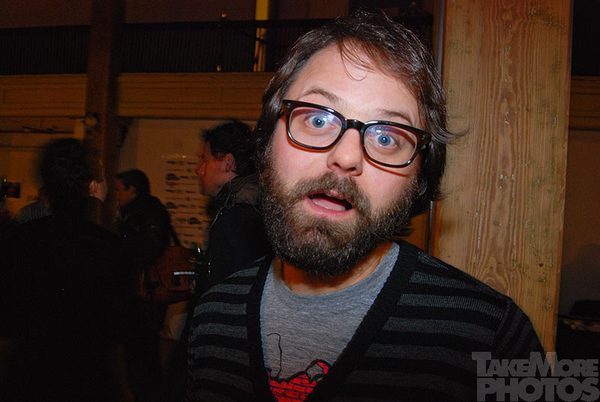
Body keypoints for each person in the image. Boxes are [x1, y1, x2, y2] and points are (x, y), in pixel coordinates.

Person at [185, 10, 544, 402]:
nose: (346, 156)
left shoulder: (490, 337)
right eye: (317, 119)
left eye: (387, 138)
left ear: (419, 177)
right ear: (267, 139)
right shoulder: (213, 316)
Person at [0, 138, 131, 402]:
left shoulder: (22, 239)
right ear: (90, 186)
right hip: (86, 375)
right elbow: (118, 323)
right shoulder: (106, 245)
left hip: (30, 374)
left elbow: (7, 314)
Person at [114, 168, 172, 402]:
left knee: (141, 350)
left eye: (120, 190)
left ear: (133, 190)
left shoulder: (144, 213)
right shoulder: (146, 210)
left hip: (145, 290)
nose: (117, 195)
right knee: (144, 349)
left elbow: (149, 248)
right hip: (144, 290)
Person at [194, 119, 271, 292]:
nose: (199, 170)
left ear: (228, 163)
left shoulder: (236, 217)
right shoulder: (258, 207)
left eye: (204, 160)